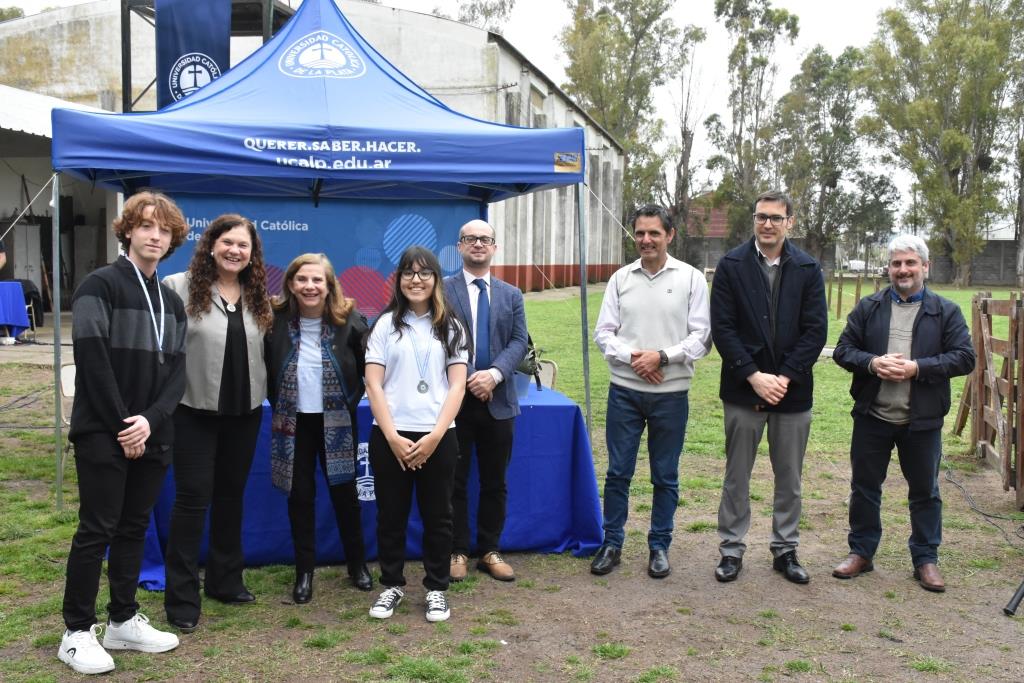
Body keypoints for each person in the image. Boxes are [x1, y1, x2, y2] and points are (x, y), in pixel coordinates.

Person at [58, 191, 188, 675]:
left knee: (134, 528)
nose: (156, 235)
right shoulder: (99, 285)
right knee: (97, 529)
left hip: (152, 433)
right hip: (102, 432)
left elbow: (177, 374)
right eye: (147, 226)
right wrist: (122, 424)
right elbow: (93, 361)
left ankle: (122, 619)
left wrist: (150, 421)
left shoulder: (173, 302)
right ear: (128, 230)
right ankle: (75, 631)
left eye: (165, 230)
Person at [831, 234, 974, 592]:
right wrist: (872, 362)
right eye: (896, 264)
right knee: (865, 487)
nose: (903, 270)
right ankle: (861, 552)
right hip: (873, 416)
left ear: (926, 267)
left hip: (921, 420)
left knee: (925, 491)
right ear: (889, 269)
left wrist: (917, 369)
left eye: (910, 263)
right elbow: (844, 350)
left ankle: (925, 559)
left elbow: (964, 357)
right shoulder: (870, 307)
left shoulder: (945, 311)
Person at [161, 214, 273, 632]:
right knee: (192, 502)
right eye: (227, 242)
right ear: (211, 244)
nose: (235, 250)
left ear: (252, 253)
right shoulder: (177, 287)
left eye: (243, 245)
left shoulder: (257, 294)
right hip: (192, 413)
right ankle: (182, 598)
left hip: (243, 415)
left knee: (231, 498)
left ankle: (225, 581)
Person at [710, 189, 827, 585]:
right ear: (754, 221)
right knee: (736, 475)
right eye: (761, 217)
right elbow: (723, 329)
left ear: (790, 222)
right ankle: (731, 549)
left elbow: (815, 332)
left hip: (792, 393)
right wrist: (754, 376)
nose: (768, 224)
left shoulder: (809, 268)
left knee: (789, 477)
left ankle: (785, 548)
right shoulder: (731, 265)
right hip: (744, 389)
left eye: (776, 218)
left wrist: (784, 378)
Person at [591, 204, 711, 578]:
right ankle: (612, 542)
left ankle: (659, 545)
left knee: (665, 475)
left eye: (654, 233)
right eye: (640, 233)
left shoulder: (691, 278)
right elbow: (603, 333)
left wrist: (661, 357)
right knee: (618, 472)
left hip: (671, 395)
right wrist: (635, 359)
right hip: (624, 392)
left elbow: (702, 337)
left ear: (670, 235)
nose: (646, 240)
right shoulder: (620, 279)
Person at [364, 246, 468, 622]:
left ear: (436, 280)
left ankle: (436, 588)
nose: (416, 280)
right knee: (390, 515)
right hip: (391, 436)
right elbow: (374, 386)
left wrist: (436, 436)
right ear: (399, 280)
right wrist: (391, 437)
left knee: (439, 516)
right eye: (408, 272)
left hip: (438, 436)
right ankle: (391, 584)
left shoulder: (452, 327)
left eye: (425, 273)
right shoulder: (384, 325)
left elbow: (457, 387)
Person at [266, 253, 373, 605]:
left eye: (317, 281)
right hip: (292, 424)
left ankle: (357, 565)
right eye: (302, 280)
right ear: (291, 284)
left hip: (337, 422)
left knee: (345, 496)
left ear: (329, 286)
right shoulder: (275, 320)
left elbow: (368, 369)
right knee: (300, 498)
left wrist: (349, 401)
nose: (310, 287)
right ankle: (304, 572)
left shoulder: (350, 321)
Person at [443, 219, 528, 583]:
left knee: (495, 482)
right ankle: (457, 550)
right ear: (460, 247)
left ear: (494, 248)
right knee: (454, 481)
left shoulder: (512, 295)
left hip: (498, 401)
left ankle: (490, 550)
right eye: (470, 239)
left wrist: (493, 374)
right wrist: (465, 379)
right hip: (454, 402)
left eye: (485, 240)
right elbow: (436, 338)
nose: (478, 244)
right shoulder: (442, 291)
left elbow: (519, 342)